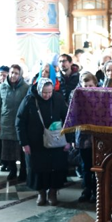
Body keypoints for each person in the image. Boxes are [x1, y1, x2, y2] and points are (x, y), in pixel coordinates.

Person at [16, 78, 71, 206]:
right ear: (39, 90)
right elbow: (20, 122)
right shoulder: (29, 100)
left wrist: (69, 140)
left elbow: (68, 119)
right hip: (36, 142)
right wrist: (24, 143)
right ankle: (41, 193)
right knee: (38, 168)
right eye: (44, 92)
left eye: (50, 92)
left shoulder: (58, 99)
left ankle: (52, 192)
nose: (47, 95)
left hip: (56, 141)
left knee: (56, 168)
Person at [0, 64, 31, 182]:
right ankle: (13, 170)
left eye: (16, 73)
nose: (13, 75)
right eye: (12, 72)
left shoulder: (26, 87)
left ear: (20, 75)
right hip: (7, 121)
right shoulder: (2, 87)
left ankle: (23, 171)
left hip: (21, 123)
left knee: (21, 149)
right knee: (8, 149)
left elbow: (29, 105)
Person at [72, 72, 99, 203]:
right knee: (85, 166)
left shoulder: (100, 98)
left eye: (90, 85)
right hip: (83, 138)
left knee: (97, 167)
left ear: (95, 85)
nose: (88, 88)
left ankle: (96, 191)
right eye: (85, 85)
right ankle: (87, 189)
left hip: (97, 138)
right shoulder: (77, 97)